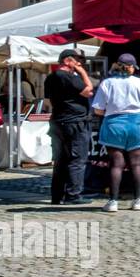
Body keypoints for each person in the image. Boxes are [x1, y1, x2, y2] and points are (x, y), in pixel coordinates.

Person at [90, 54, 140, 213]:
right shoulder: (139, 82)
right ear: (131, 67)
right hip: (136, 124)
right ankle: (138, 199)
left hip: (114, 124)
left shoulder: (107, 83)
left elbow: (98, 109)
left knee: (116, 164)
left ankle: (113, 202)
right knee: (136, 164)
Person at [45, 49, 95, 205]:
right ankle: (73, 194)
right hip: (74, 122)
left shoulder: (51, 77)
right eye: (76, 61)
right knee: (77, 158)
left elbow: (47, 101)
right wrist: (82, 72)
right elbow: (89, 90)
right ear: (67, 61)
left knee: (60, 159)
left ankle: (57, 195)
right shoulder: (67, 76)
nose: (79, 64)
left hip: (58, 121)